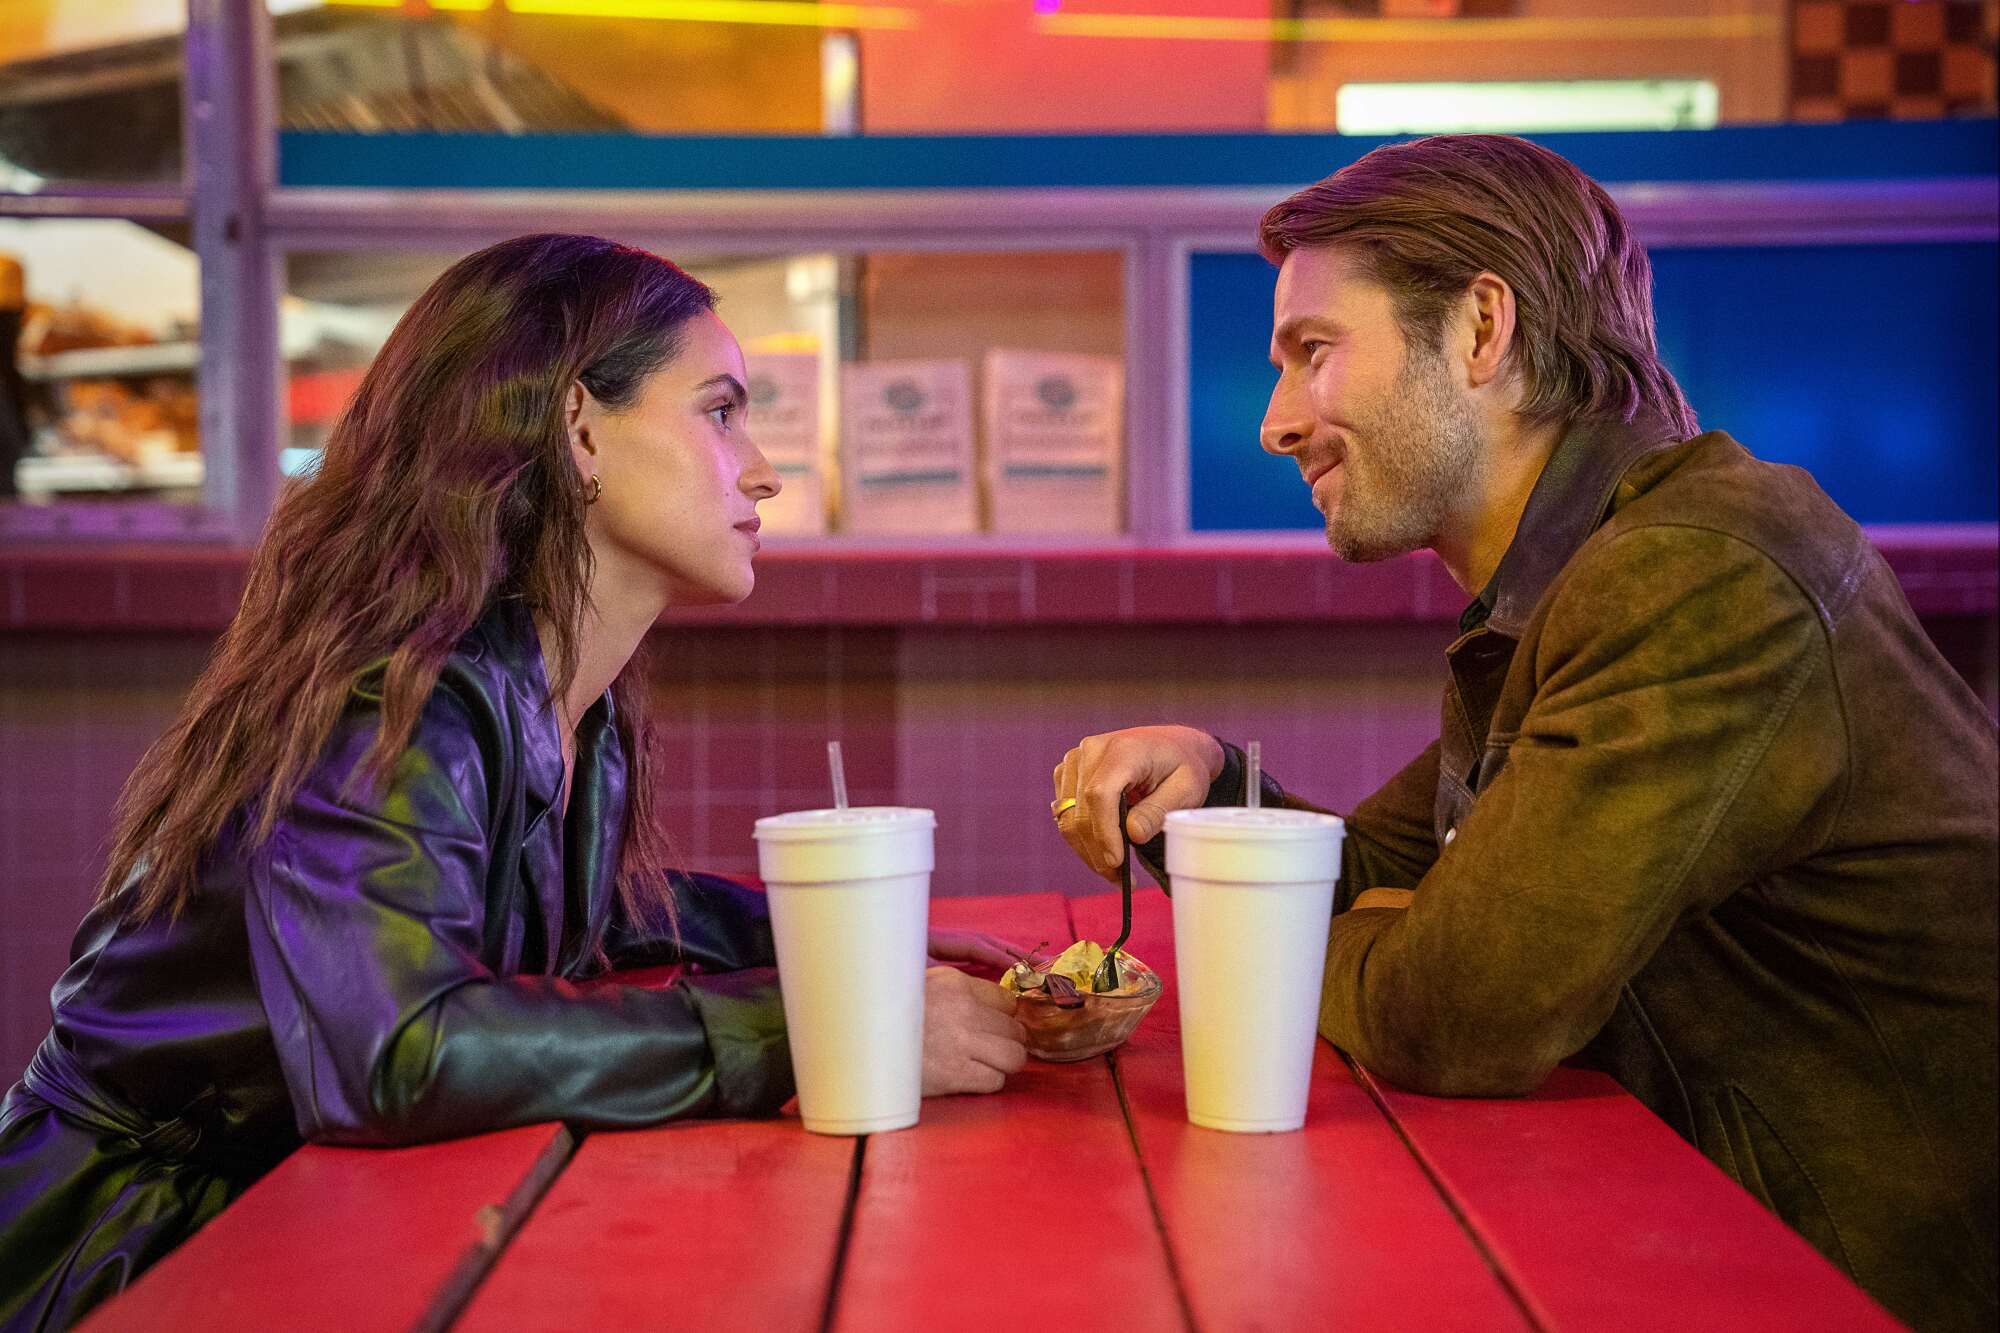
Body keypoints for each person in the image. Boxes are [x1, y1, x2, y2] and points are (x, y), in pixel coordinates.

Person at [1048, 135, 1996, 1332]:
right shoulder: (1576, 572)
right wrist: (1205, 788)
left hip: (1868, 1283)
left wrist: (1385, 943)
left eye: (1312, 351)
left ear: (1480, 330)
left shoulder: (1693, 575)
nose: (1274, 421)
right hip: (1720, 1244)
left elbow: (1461, 1014)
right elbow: (1394, 877)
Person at [0, 234, 1029, 1333]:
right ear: (579, 427)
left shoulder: (560, 692)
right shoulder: (393, 696)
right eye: (721, 412)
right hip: (121, 1260)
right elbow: (399, 1053)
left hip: (287, 1229)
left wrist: (838, 940)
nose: (764, 466)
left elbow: (565, 907)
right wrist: (827, 1023)